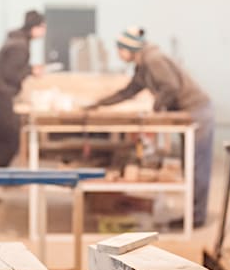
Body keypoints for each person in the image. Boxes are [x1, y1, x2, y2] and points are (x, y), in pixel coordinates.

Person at [86, 27, 214, 227]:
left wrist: (156, 110)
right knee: (189, 164)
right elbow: (129, 91)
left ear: (130, 48)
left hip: (196, 111)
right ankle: (192, 215)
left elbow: (170, 87)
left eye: (120, 49)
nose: (119, 54)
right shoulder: (143, 65)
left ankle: (196, 218)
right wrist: (99, 103)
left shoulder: (153, 59)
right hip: (186, 113)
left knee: (196, 165)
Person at [0, 10, 46, 204]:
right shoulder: (20, 47)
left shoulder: (14, 41)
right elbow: (10, 75)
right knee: (9, 143)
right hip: (0, 100)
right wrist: (32, 70)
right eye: (43, 27)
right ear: (35, 27)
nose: (44, 31)